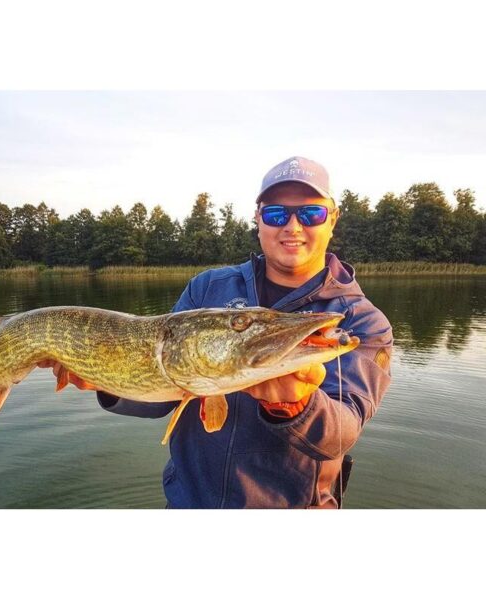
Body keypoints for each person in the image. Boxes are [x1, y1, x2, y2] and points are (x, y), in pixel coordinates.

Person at [98, 155, 393, 509]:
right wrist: (105, 377)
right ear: (258, 219)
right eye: (276, 214)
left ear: (332, 219)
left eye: (310, 214)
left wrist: (298, 406)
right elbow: (166, 387)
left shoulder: (361, 321)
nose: (293, 227)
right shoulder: (207, 289)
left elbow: (342, 434)